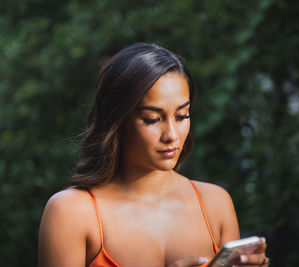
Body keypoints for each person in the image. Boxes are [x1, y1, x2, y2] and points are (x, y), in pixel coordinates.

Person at [38, 42, 269, 267]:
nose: (171, 135)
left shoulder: (215, 204)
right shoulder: (71, 212)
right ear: (116, 120)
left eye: (181, 116)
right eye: (152, 119)